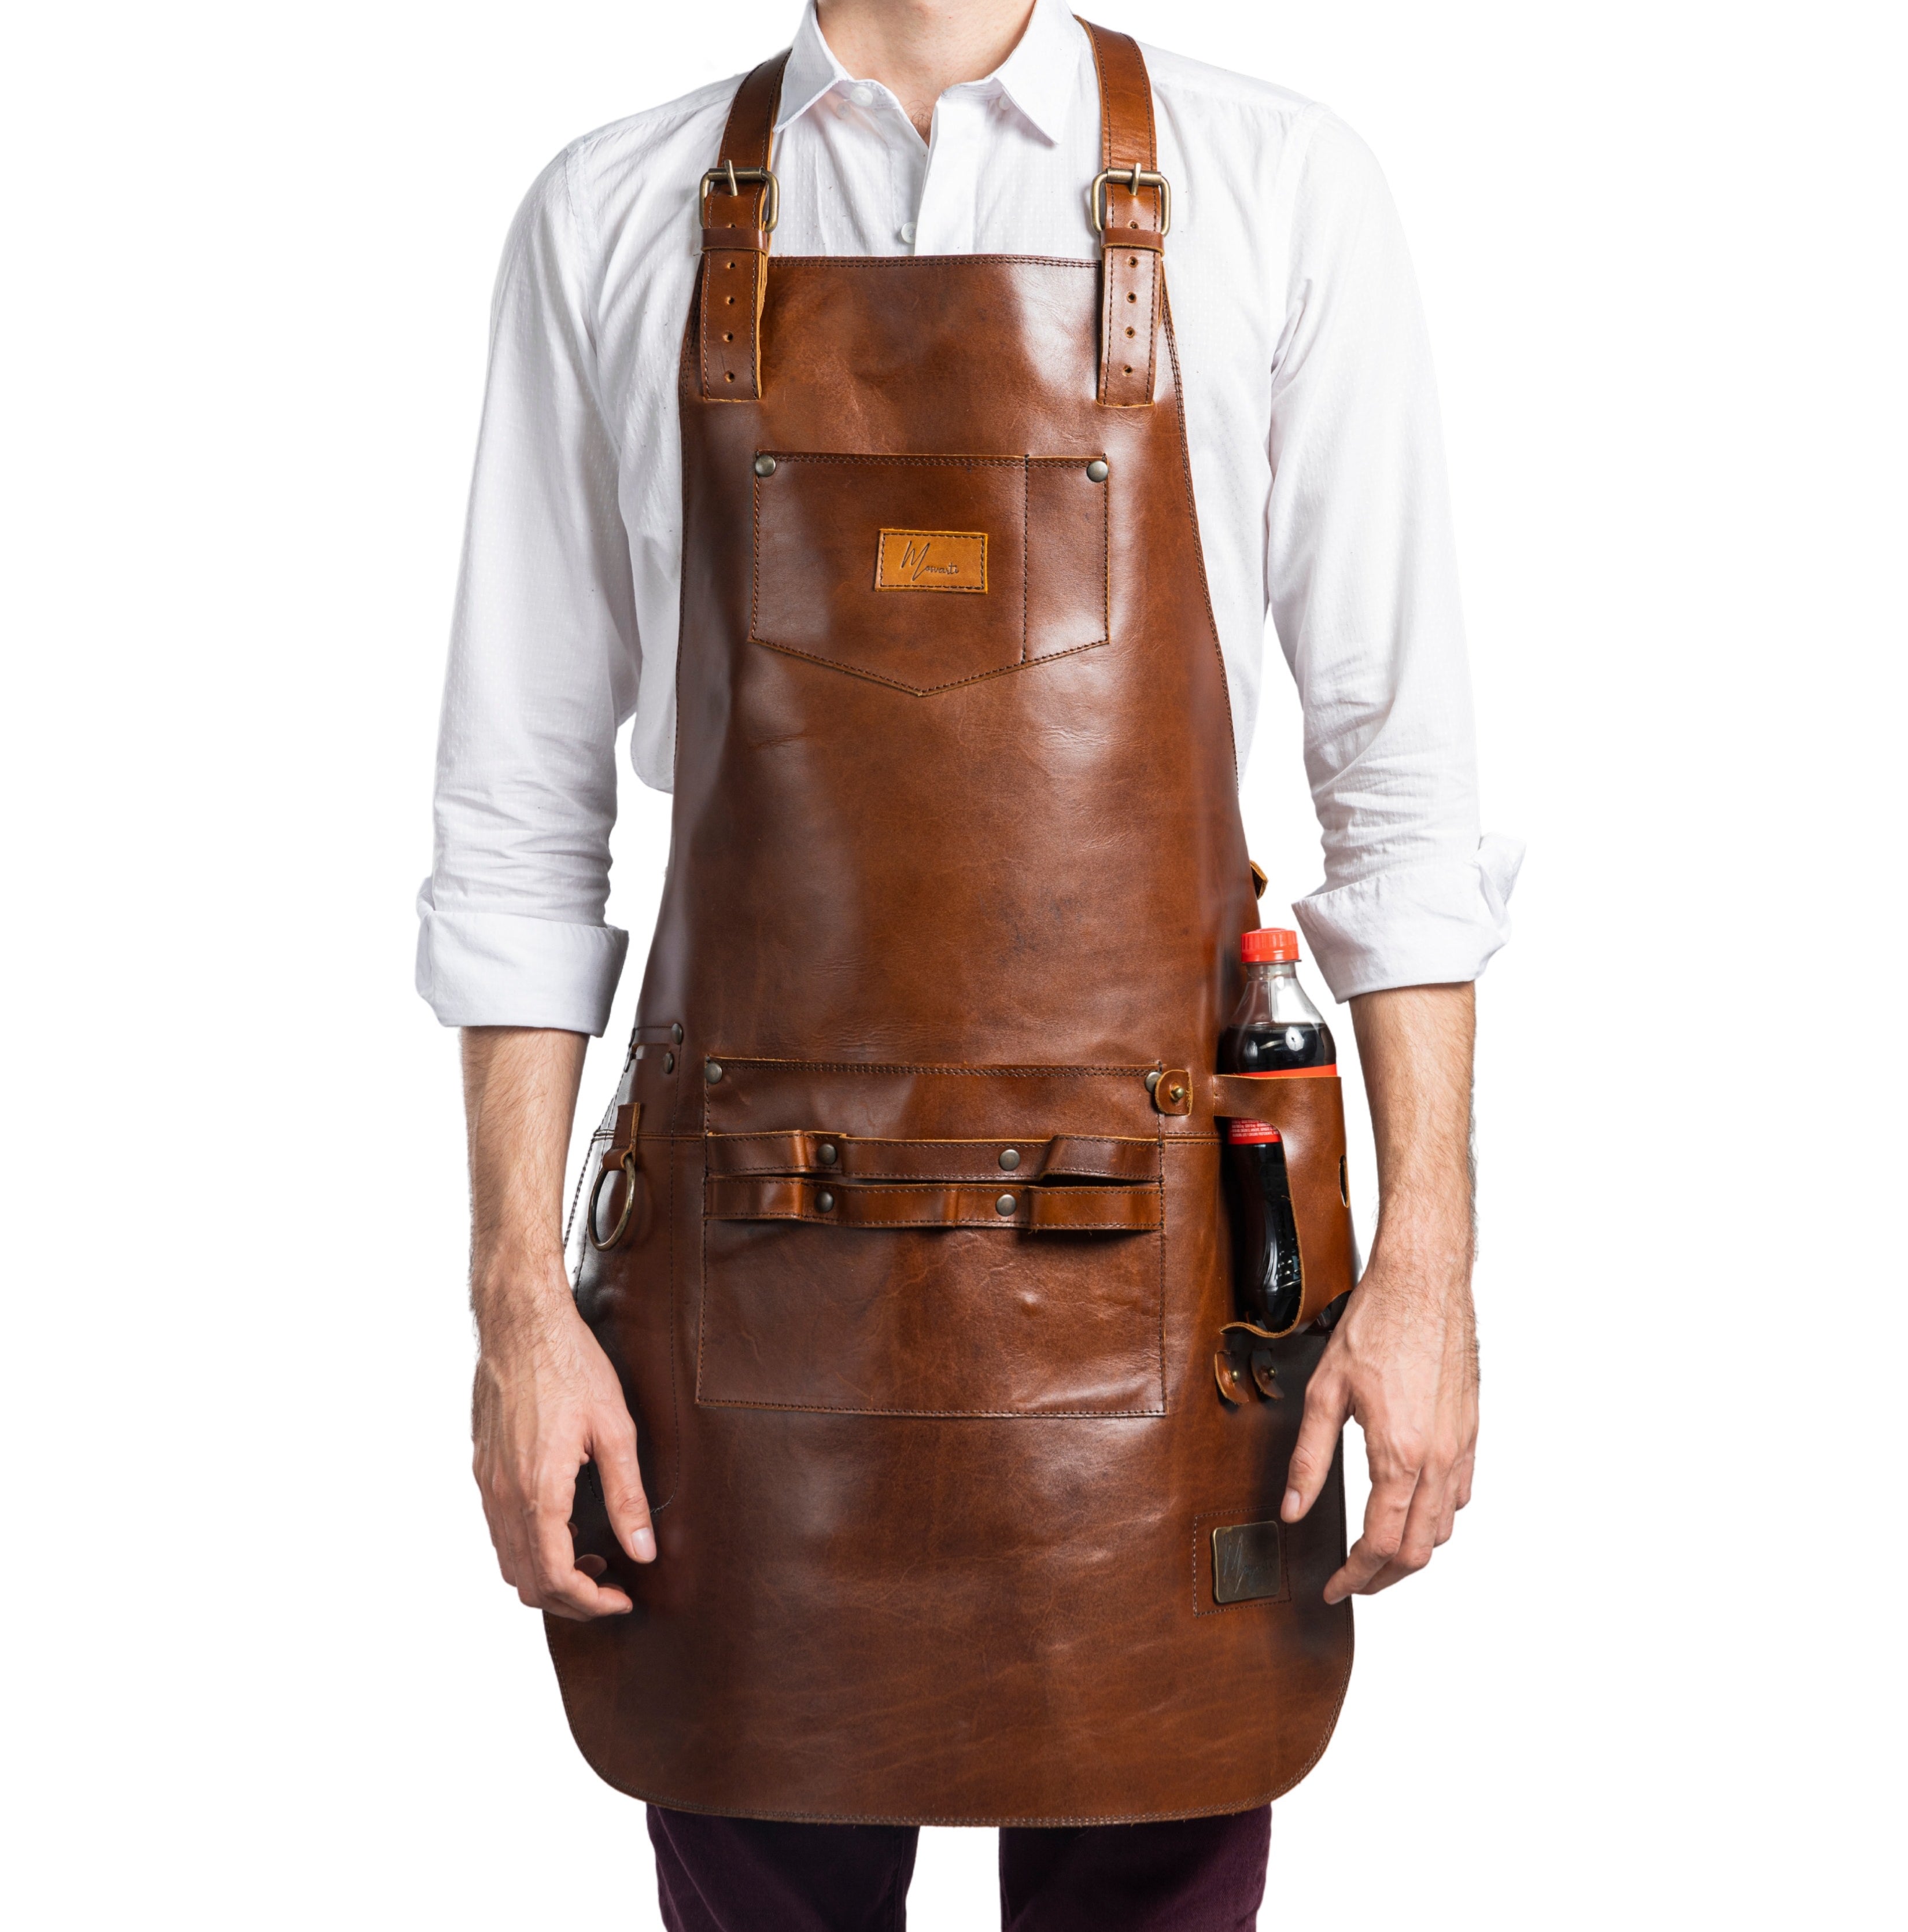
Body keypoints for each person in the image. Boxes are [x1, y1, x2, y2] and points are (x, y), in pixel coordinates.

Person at [417, 2, 1518, 1924]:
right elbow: (514, 825)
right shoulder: (611, 210)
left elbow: (1401, 800)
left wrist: (1429, 1271)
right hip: (744, 1298)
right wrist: (517, 1303)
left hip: (1172, 1291)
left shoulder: (1278, 184)